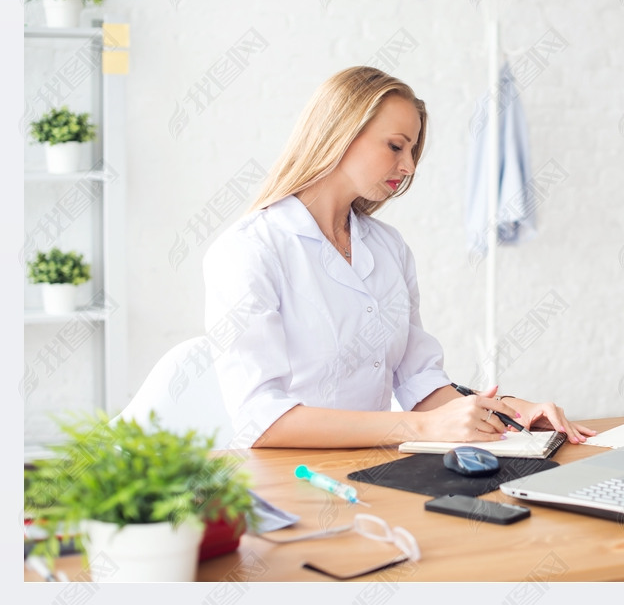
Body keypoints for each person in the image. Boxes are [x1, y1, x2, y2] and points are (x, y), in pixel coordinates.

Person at [203, 65, 594, 450]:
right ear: (340, 134)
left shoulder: (388, 247)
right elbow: (261, 419)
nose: (408, 167)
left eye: (412, 151)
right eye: (395, 146)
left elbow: (418, 380)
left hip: (377, 468)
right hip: (289, 479)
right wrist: (421, 428)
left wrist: (508, 411)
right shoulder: (250, 249)